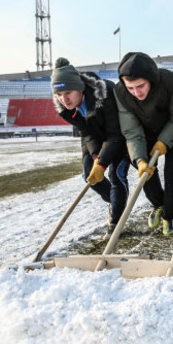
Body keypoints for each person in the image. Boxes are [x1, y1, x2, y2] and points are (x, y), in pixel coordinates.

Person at [51, 57, 130, 236]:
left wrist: (102, 163)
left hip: (118, 135)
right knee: (90, 175)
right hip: (93, 136)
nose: (64, 99)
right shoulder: (65, 109)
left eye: (68, 93)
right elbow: (86, 133)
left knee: (116, 175)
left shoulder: (105, 92)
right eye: (59, 95)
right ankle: (115, 201)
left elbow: (115, 133)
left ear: (79, 87)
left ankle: (117, 221)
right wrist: (96, 158)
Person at [114, 52, 173, 236]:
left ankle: (169, 216)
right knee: (145, 171)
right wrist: (139, 159)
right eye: (131, 88)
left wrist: (164, 142)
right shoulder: (121, 93)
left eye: (141, 86)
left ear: (151, 79)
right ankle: (158, 205)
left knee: (171, 172)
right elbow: (131, 130)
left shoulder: (169, 81)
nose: (136, 92)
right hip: (144, 132)